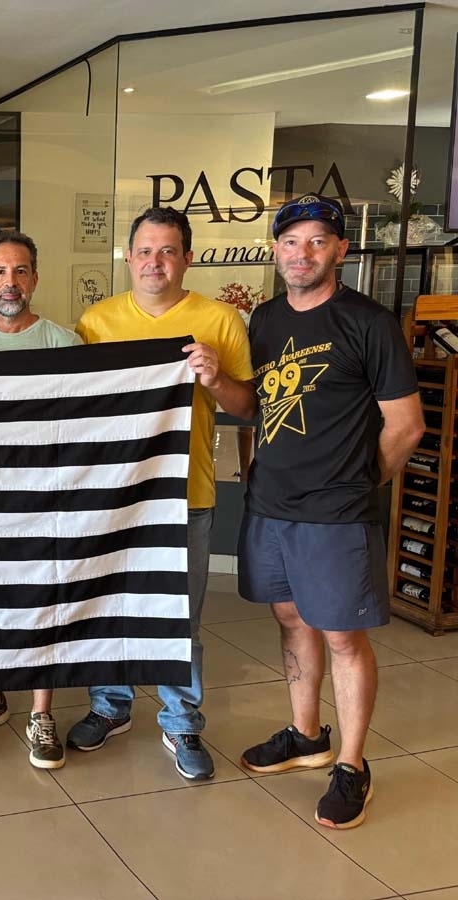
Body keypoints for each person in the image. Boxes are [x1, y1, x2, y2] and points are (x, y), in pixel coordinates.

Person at [238, 194, 423, 829]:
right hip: (270, 506)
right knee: (291, 621)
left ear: (341, 250)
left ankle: (351, 764)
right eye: (291, 242)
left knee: (342, 635)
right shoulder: (264, 320)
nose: (302, 253)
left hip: (337, 513)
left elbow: (407, 425)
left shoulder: (370, 322)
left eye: (317, 241)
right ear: (276, 250)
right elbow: (257, 405)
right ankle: (306, 734)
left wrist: (360, 483)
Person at [66, 207, 257, 781]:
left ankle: (181, 721)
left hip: (186, 492)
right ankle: (110, 705)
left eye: (168, 251)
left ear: (187, 258)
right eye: (146, 251)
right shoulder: (95, 321)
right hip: (114, 495)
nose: (155, 262)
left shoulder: (220, 320)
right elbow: (78, 405)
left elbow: (248, 407)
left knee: (179, 617)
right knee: (111, 606)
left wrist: (215, 377)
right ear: (129, 257)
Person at [0, 232, 80, 770]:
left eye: (21, 271)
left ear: (35, 280)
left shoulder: (64, 342)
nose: (11, 282)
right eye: (0, 272)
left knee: (43, 601)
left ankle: (41, 713)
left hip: (45, 495)